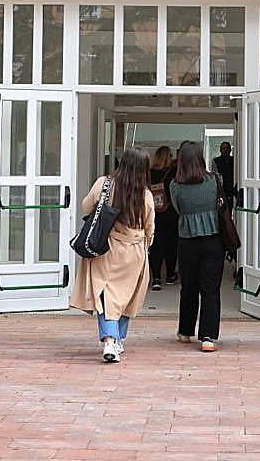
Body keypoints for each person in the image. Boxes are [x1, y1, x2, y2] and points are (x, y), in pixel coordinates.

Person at [70, 146, 155, 363]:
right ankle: (117, 340)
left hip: (106, 248)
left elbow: (85, 206)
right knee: (127, 297)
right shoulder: (145, 194)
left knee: (106, 296)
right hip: (134, 252)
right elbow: (149, 228)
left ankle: (110, 340)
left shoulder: (104, 184)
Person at [168, 141, 226, 352]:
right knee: (210, 290)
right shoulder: (215, 180)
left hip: (187, 240)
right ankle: (208, 337)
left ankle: (185, 331)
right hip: (213, 240)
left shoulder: (175, 185)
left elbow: (177, 209)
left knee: (189, 288)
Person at [148, 146, 179, 290]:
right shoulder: (173, 172)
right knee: (171, 246)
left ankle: (156, 278)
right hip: (171, 213)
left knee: (156, 246)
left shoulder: (150, 173)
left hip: (154, 213)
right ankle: (171, 275)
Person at [212, 142, 236, 214]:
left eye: (227, 148)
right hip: (221, 189)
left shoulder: (234, 160)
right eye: (223, 148)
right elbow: (215, 175)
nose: (225, 150)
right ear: (220, 150)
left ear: (230, 150)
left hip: (233, 188)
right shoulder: (216, 161)